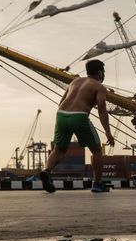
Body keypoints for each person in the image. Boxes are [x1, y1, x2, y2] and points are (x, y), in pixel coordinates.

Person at [39, 59, 115, 193]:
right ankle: (97, 184)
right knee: (96, 150)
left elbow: (61, 102)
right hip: (79, 116)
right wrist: (108, 132)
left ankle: (46, 171)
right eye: (103, 72)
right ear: (99, 73)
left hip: (61, 114)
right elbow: (102, 109)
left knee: (59, 149)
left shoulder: (74, 82)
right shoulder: (99, 87)